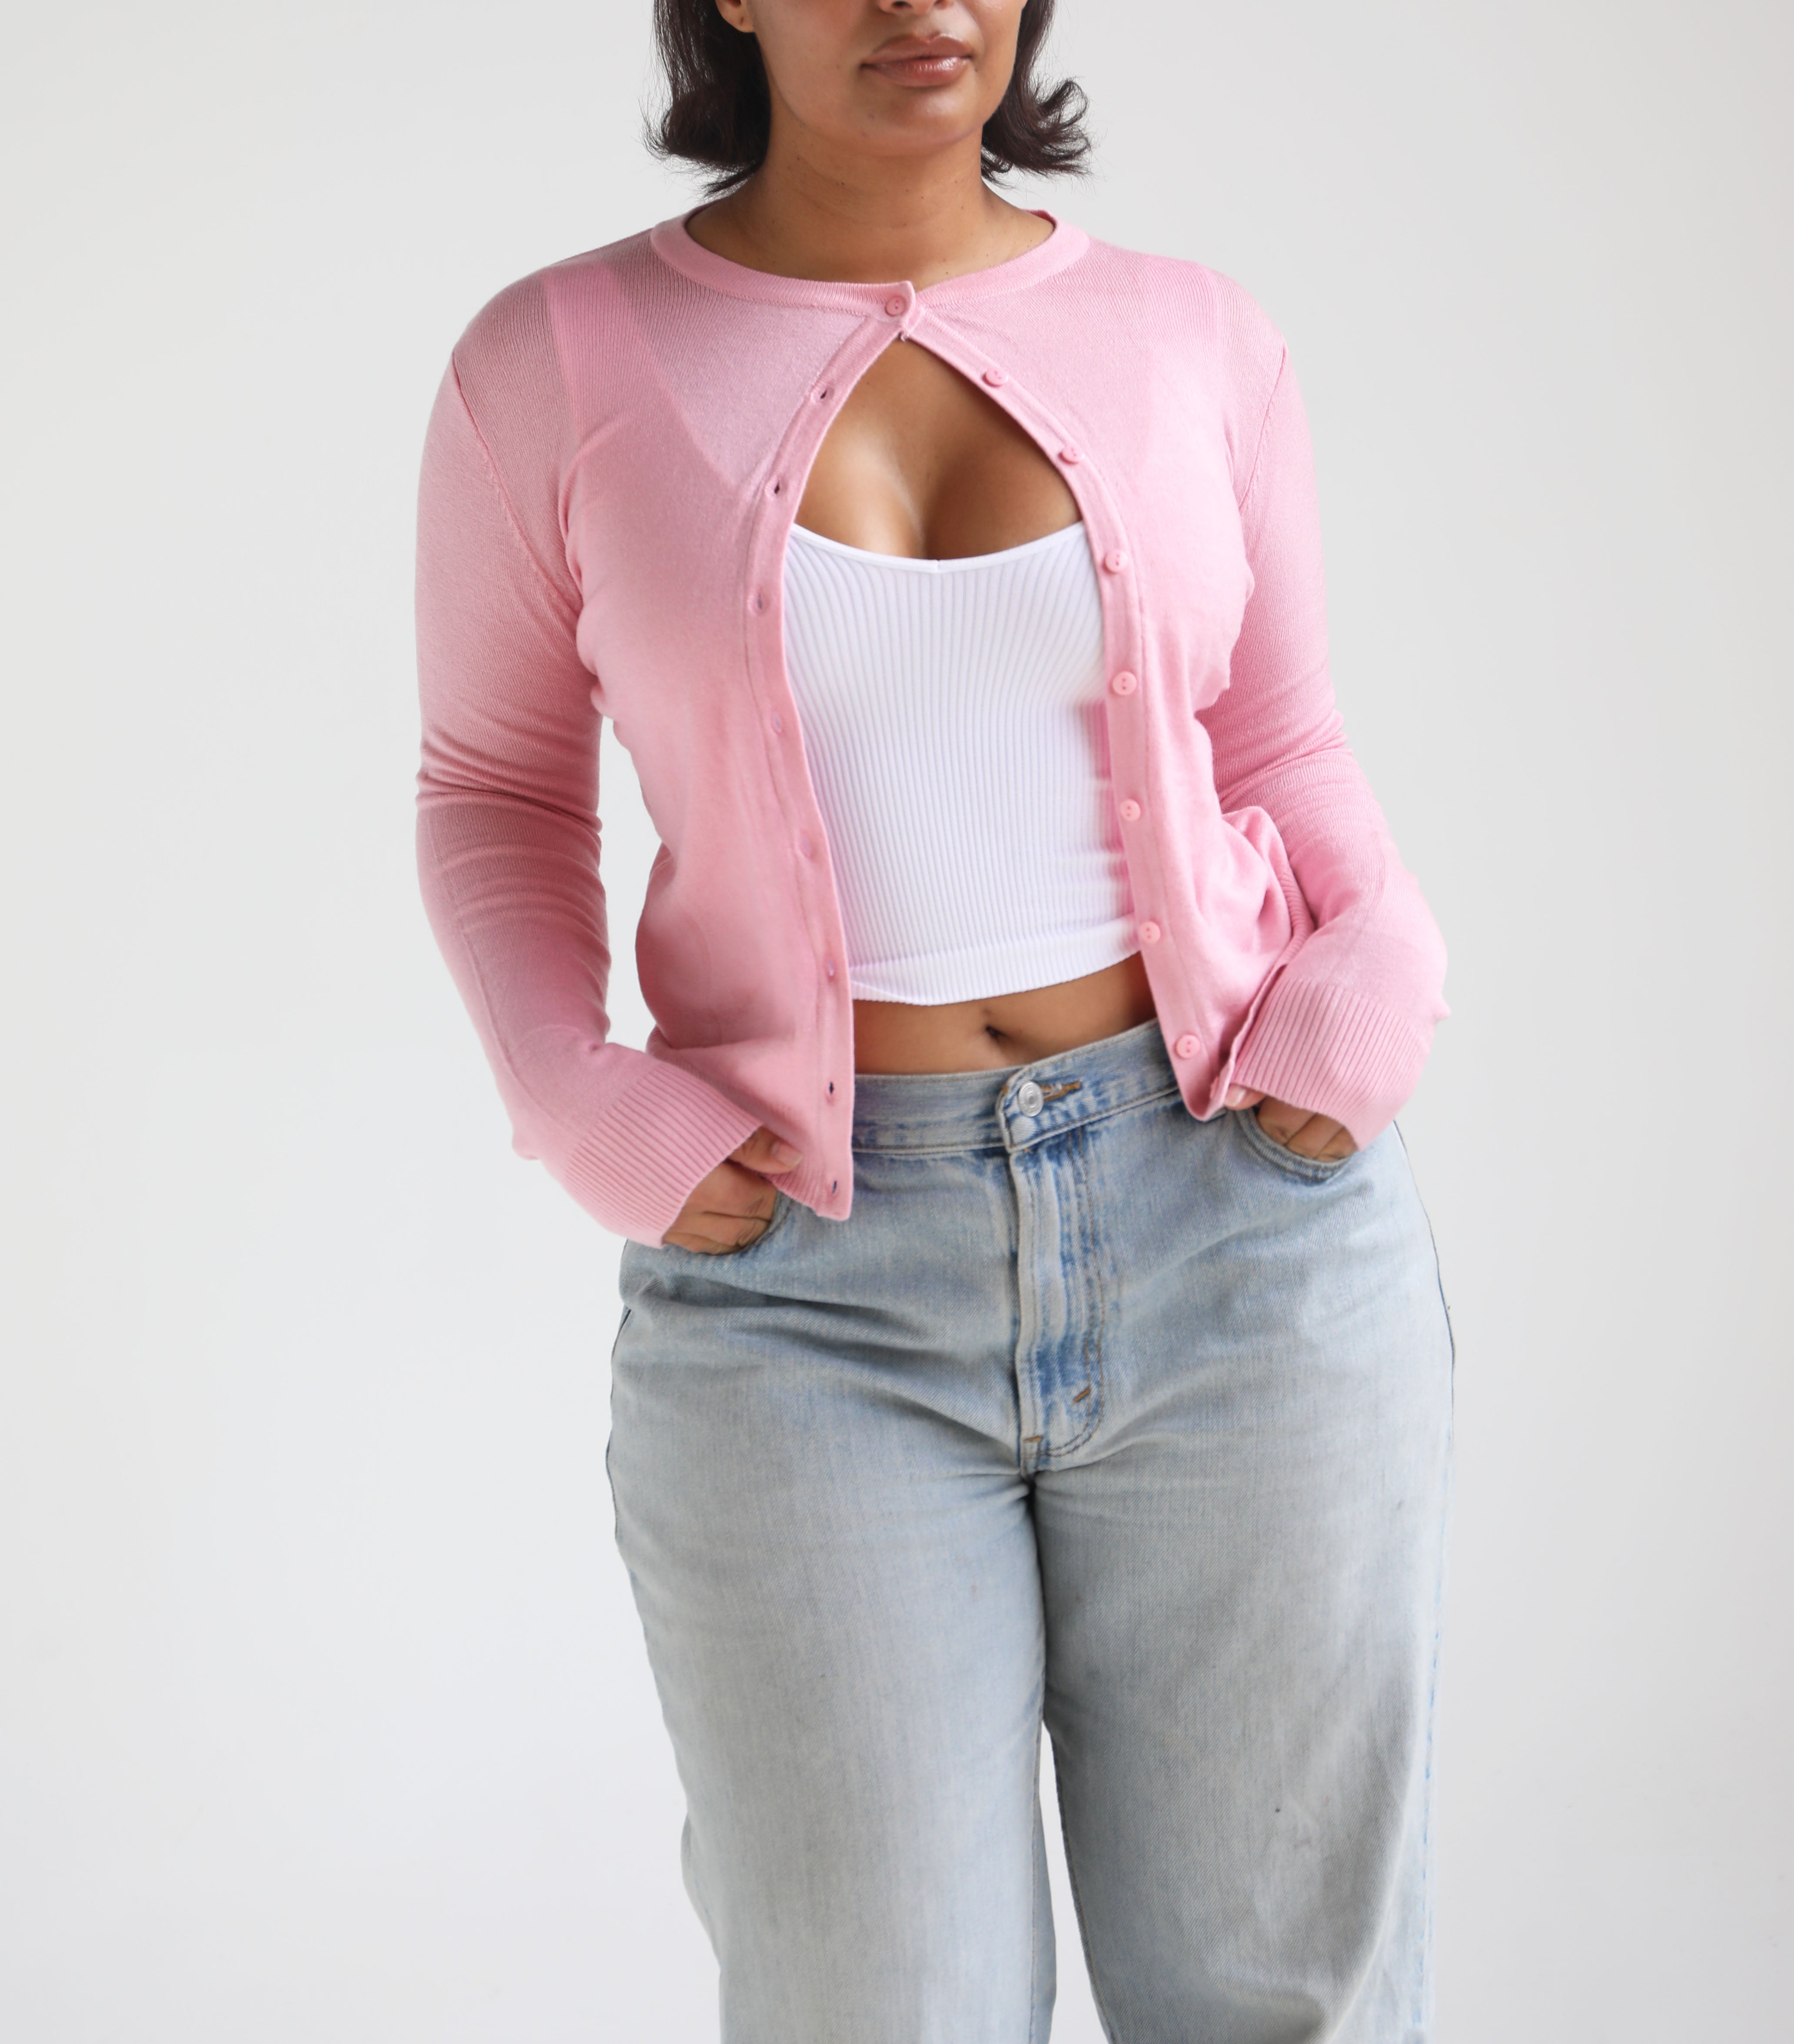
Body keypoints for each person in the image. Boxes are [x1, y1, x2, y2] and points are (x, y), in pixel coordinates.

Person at [413, 2, 1454, 2037]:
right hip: (808, 1291)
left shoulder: (1195, 337)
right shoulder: (556, 360)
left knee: (1286, 2004)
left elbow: (1281, 736)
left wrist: (1385, 964)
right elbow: (493, 791)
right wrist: (576, 1097)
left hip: (1244, 1233)